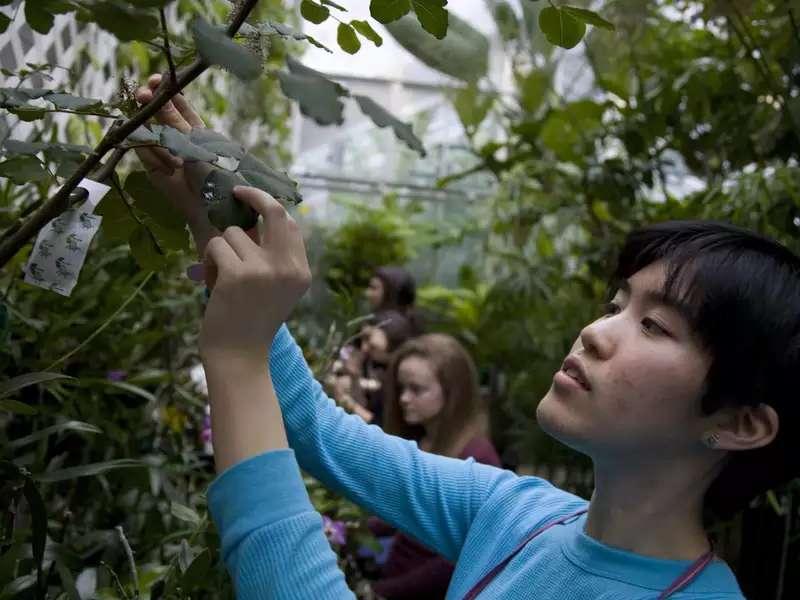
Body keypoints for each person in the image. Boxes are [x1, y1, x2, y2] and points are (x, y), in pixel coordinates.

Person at [136, 76, 799, 598]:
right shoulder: (519, 512)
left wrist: (235, 357)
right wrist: (211, 214)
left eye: (654, 325)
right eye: (616, 304)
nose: (596, 332)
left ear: (742, 423)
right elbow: (317, 430)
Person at [367, 334, 501, 599]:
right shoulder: (423, 443)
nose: (404, 398)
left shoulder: (477, 460)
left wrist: (382, 592)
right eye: (402, 388)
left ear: (452, 392)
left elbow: (458, 561)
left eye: (417, 389)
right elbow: (401, 510)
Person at [332, 309, 414, 425]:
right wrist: (354, 377)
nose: (364, 348)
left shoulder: (405, 376)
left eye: (368, 337)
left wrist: (348, 403)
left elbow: (380, 425)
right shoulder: (378, 365)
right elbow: (366, 406)